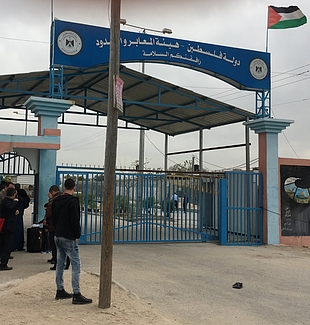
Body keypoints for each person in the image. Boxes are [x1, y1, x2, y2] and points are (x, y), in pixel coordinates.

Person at [52, 178, 92, 304]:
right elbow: (75, 219)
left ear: (64, 187)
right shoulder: (73, 201)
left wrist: (57, 229)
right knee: (76, 264)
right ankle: (77, 293)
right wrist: (77, 234)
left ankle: (60, 289)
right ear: (74, 188)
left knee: (60, 263)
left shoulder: (56, 200)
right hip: (68, 236)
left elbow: (53, 218)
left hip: (58, 235)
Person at [45, 185, 70, 270]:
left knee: (55, 245)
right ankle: (66, 263)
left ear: (52, 192)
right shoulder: (63, 198)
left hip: (53, 226)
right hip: (63, 226)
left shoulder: (53, 200)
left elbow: (49, 213)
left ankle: (57, 263)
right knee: (64, 246)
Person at [0, 188, 19, 271]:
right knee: (7, 245)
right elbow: (10, 207)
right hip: (8, 226)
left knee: (4, 244)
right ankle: (3, 263)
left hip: (6, 225)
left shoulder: (5, 201)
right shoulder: (8, 201)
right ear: (14, 194)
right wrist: (15, 202)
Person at [13, 183, 30, 251]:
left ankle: (14, 245)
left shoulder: (16, 197)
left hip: (17, 213)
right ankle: (20, 245)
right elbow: (27, 200)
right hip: (20, 211)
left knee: (15, 230)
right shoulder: (22, 193)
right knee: (19, 229)